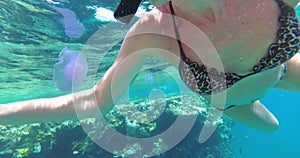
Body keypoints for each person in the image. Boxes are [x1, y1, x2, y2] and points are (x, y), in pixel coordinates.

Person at [0, 0, 299, 133]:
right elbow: (94, 102)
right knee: (273, 129)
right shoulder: (155, 32)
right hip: (235, 104)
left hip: (282, 68)